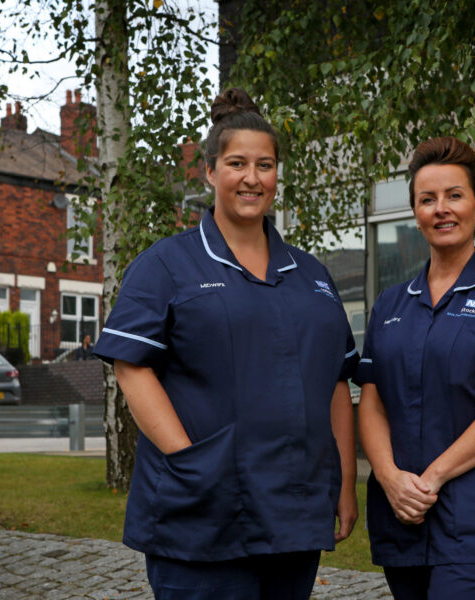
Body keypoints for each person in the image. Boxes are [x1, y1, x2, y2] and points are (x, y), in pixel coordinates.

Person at [92, 88, 359, 600]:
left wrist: (345, 484)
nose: (252, 178)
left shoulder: (313, 276)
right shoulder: (167, 265)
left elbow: (336, 382)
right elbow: (130, 366)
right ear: (211, 172)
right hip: (202, 514)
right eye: (237, 163)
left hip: (293, 512)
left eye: (265, 164)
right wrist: (189, 461)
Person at [355, 137, 475, 600]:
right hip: (402, 519)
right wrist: (388, 478)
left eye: (455, 195)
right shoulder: (389, 306)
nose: (441, 209)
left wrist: (432, 479)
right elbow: (372, 401)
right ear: (416, 212)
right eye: (427, 199)